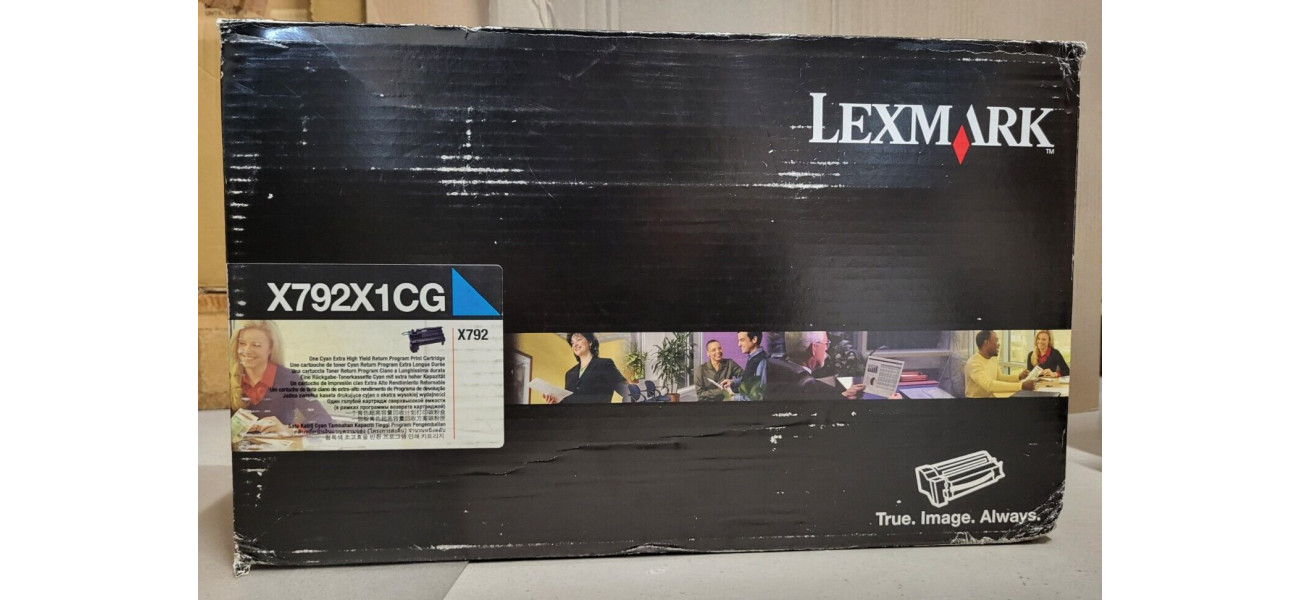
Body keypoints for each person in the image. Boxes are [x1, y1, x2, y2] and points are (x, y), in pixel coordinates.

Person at [229, 320, 334, 433]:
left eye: (256, 345)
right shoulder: (228, 378)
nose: (247, 350)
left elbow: (325, 421)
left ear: (271, 348)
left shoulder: (289, 379)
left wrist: (288, 429)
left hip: (280, 444)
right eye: (242, 343)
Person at [767, 331, 867, 400]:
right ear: (814, 348)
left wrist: (843, 395)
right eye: (826, 343)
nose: (826, 348)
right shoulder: (807, 385)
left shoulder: (774, 368)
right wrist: (842, 399)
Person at [544, 332, 628, 404]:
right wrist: (557, 403)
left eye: (578, 340)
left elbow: (628, 392)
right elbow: (569, 403)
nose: (575, 344)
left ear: (590, 342)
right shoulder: (569, 374)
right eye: (572, 343)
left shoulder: (604, 364)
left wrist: (621, 412)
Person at [964, 330, 1036, 398]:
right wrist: (1021, 386)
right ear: (986, 343)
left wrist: (1019, 377)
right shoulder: (973, 363)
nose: (998, 344)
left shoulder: (993, 358)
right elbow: (989, 385)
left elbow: (999, 378)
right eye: (996, 340)